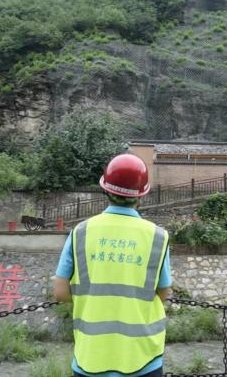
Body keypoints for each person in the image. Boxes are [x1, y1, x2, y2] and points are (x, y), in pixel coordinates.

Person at [52, 154, 172, 377]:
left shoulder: (80, 232)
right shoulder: (157, 236)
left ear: (106, 190)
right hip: (143, 358)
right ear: (141, 195)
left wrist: (93, 300)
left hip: (91, 357)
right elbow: (163, 293)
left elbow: (60, 292)